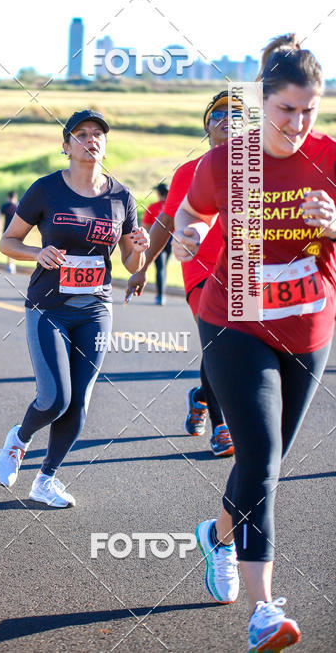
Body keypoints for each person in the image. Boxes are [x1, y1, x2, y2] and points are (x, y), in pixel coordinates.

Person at [174, 35, 335, 651]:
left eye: (310, 110)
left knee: (261, 467)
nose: (298, 123)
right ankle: (265, 610)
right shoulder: (224, 164)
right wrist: (188, 237)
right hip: (234, 323)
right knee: (261, 457)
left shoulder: (331, 159)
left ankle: (216, 535)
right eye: (286, 109)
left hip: (309, 328)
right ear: (262, 100)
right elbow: (192, 216)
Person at [0, 110, 150, 507]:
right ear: (66, 146)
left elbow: (131, 263)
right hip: (49, 305)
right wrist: (36, 252)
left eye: (98, 134)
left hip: (96, 308)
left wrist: (141, 248)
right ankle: (19, 440)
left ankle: (45, 480)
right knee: (55, 398)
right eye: (81, 134)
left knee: (80, 400)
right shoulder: (46, 190)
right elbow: (7, 243)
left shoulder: (122, 197)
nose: (90, 140)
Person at [126, 91, 242, 457]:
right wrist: (143, 267)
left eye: (237, 114)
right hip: (201, 269)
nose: (228, 120)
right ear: (207, 128)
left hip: (246, 270)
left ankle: (201, 396)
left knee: (237, 350)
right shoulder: (190, 172)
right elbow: (166, 220)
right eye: (219, 114)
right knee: (219, 341)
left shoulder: (260, 169)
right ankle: (223, 427)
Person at [141, 182, 171, 304]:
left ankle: (160, 296)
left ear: (159, 193)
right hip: (171, 239)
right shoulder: (172, 206)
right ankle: (161, 295)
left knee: (160, 267)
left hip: (157, 239)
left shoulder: (153, 207)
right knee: (163, 267)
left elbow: (146, 226)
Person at [0, 191, 18, 273]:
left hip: (6, 229)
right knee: (15, 247)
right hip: (17, 230)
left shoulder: (4, 206)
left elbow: (0, 218)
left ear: (8, 197)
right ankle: (12, 265)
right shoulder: (18, 206)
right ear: (15, 198)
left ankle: (10, 265)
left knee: (8, 247)